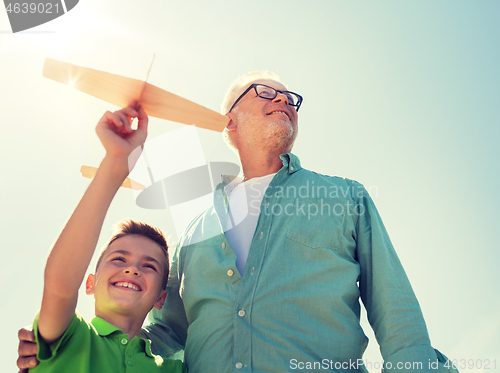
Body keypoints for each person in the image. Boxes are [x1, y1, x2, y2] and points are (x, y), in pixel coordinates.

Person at [19, 73, 457, 372]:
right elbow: (166, 330)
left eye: (291, 99)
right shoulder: (193, 231)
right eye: (266, 93)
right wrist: (65, 344)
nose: (285, 100)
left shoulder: (343, 197)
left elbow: (396, 314)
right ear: (229, 122)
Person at [23, 104, 186, 373]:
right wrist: (116, 161)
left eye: (149, 266)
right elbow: (60, 284)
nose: (132, 268)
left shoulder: (172, 369)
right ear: (89, 283)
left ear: (161, 298)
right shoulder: (69, 336)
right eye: (119, 258)